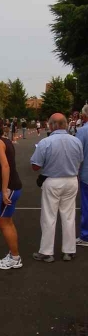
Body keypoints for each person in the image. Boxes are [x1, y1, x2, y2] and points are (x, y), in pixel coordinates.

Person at [30, 113, 83, 262]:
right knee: (68, 215)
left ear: (52, 125)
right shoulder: (76, 141)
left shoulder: (45, 142)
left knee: (48, 216)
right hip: (71, 180)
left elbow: (35, 166)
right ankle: (69, 250)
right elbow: (80, 161)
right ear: (65, 124)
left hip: (52, 181)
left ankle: (47, 252)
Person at [0, 119, 23, 270]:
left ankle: (15, 258)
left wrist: (4, 190)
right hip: (14, 186)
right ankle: (14, 255)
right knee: (7, 221)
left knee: (3, 222)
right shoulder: (5, 141)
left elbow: (5, 166)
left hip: (10, 188)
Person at [75, 105, 88, 247]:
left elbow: (77, 154)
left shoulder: (82, 131)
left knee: (86, 205)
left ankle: (86, 236)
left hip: (86, 174)